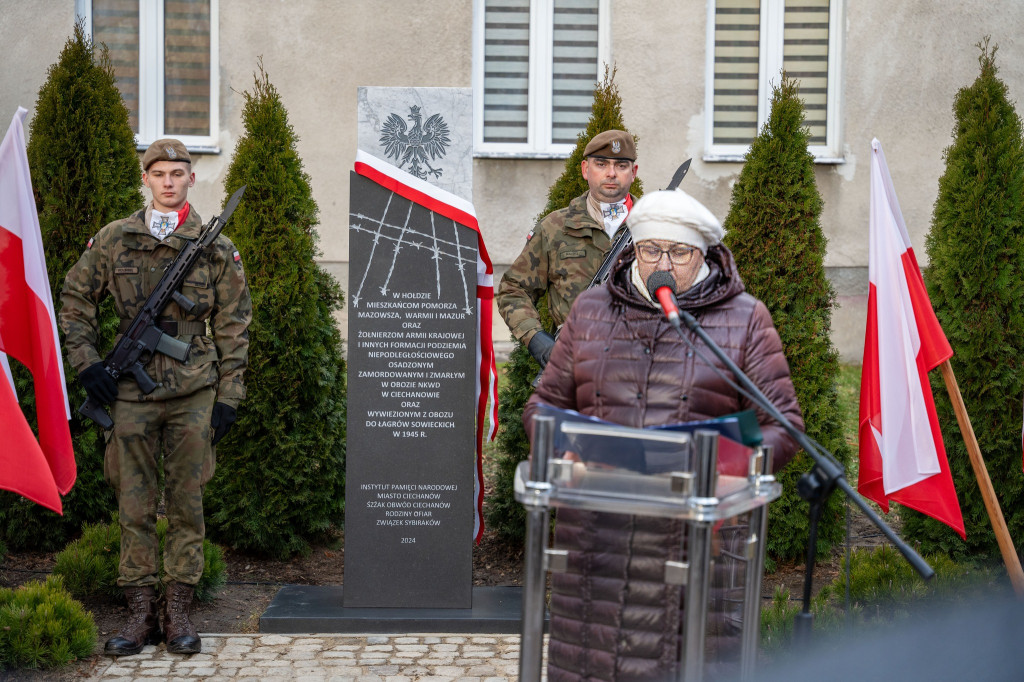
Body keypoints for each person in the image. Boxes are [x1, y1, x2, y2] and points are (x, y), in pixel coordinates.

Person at [523, 188, 803, 681]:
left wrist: (728, 477)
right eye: (651, 250)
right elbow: (544, 404)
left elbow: (781, 425)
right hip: (596, 541)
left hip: (695, 549)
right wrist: (566, 453)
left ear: (704, 254)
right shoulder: (591, 311)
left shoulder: (743, 319)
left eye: (679, 253)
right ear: (634, 249)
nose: (663, 265)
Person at [60, 139, 252, 656]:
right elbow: (75, 299)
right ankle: (139, 616)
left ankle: (180, 613)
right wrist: (88, 365)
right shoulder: (114, 239)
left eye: (178, 173)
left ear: (192, 178)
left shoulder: (215, 246)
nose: (169, 182)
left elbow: (234, 326)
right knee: (134, 504)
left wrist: (230, 395)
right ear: (146, 179)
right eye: (159, 173)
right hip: (129, 394)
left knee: (188, 504)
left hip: (193, 391)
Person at [496, 129, 638, 366]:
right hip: (574, 368)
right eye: (601, 164)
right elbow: (512, 289)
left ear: (633, 173)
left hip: (640, 367)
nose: (611, 173)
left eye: (621, 166)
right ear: (585, 169)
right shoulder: (555, 228)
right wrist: (538, 341)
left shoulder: (657, 225)